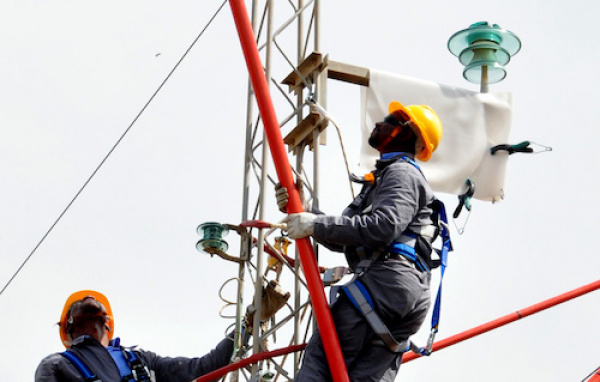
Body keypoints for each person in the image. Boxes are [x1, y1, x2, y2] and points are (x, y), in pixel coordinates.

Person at [278, 101, 444, 381]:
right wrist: (308, 214)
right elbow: (352, 238)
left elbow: (381, 227)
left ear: (408, 133)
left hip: (385, 284)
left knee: (321, 364)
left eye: (390, 120)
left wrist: (314, 224)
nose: (380, 124)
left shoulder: (401, 174)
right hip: (402, 292)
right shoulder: (384, 180)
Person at [35, 290, 235, 382]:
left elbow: (204, 369)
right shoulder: (56, 365)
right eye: (80, 302)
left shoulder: (140, 360)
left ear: (107, 322)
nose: (90, 297)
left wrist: (248, 325)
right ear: (68, 325)